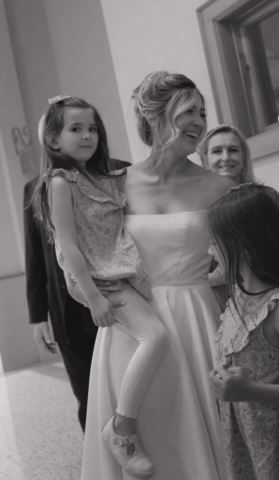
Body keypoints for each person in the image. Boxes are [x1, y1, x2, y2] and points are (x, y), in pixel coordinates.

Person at [81, 72, 233, 480]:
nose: (199, 121)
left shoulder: (219, 185)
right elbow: (88, 251)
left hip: (199, 318)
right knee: (149, 426)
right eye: (188, 112)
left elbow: (240, 260)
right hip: (134, 327)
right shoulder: (115, 185)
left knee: (204, 433)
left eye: (203, 111)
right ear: (154, 117)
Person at [32, 95, 170, 479]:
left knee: (153, 340)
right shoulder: (60, 181)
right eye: (76, 128)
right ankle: (121, 430)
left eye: (92, 128)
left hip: (119, 269)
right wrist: (92, 296)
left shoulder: (101, 176)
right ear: (54, 141)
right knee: (155, 337)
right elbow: (68, 244)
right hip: (98, 277)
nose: (87, 135)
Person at [208, 184, 279, 480]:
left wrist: (250, 392)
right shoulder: (237, 301)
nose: (209, 251)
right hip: (252, 443)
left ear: (241, 244)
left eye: (212, 242)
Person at [23, 155, 132, 431]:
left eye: (88, 127)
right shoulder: (36, 186)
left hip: (115, 299)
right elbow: (35, 254)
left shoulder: (119, 171)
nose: (82, 135)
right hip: (66, 312)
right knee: (87, 396)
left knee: (126, 389)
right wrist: (38, 317)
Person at [199, 124, 279, 301]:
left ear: (244, 157)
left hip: (278, 300)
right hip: (223, 305)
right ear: (206, 161)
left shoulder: (267, 197)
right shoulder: (202, 209)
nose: (226, 157)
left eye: (233, 150)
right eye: (217, 151)